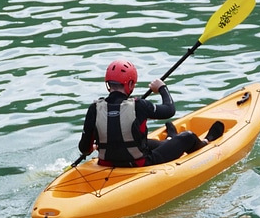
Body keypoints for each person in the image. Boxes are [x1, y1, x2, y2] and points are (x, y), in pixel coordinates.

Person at [78, 59, 223, 167]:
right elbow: (169, 110)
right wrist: (162, 88)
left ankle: (170, 140)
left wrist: (97, 146)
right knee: (188, 137)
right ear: (130, 84)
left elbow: (84, 149)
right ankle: (205, 142)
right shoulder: (139, 105)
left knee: (146, 142)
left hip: (106, 163)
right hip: (141, 164)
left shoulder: (94, 108)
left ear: (108, 84)